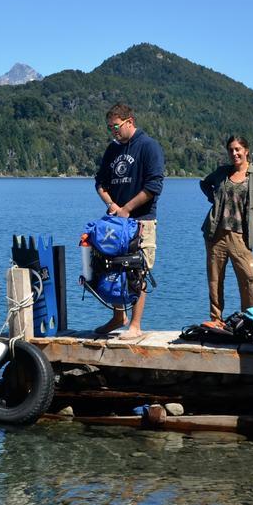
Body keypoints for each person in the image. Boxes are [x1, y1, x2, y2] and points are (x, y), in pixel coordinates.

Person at [93, 104, 165, 338]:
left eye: (116, 126)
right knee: (112, 266)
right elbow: (100, 183)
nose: (113, 131)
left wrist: (127, 208)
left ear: (129, 121)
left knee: (138, 270)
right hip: (116, 221)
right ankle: (118, 317)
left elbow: (154, 186)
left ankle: (135, 325)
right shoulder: (112, 150)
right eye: (109, 128)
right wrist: (112, 206)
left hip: (141, 220)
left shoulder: (148, 146)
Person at [199, 136, 253, 324]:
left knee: (249, 278)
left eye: (238, 149)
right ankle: (216, 319)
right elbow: (204, 184)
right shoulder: (222, 172)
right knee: (215, 280)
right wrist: (213, 199)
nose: (234, 153)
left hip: (241, 236)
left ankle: (249, 319)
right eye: (231, 150)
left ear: (246, 151)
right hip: (215, 233)